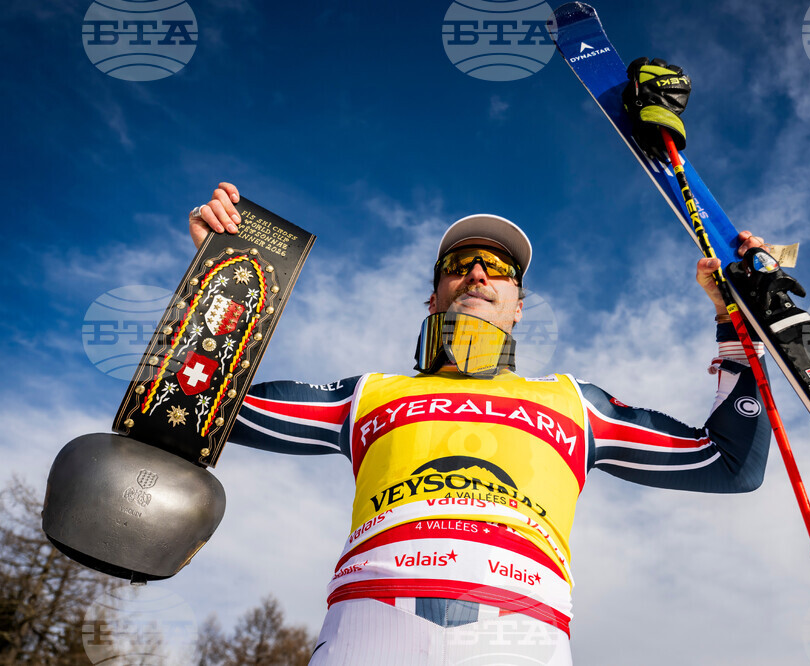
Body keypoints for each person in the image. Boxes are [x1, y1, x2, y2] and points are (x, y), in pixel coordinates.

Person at [185, 62, 772, 666]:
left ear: (519, 307)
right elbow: (190, 406)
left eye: (501, 270)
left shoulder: (576, 404)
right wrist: (221, 279)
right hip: (369, 630)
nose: (479, 272)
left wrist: (735, 321)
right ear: (432, 295)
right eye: (460, 262)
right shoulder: (366, 395)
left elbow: (727, 465)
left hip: (519, 635)